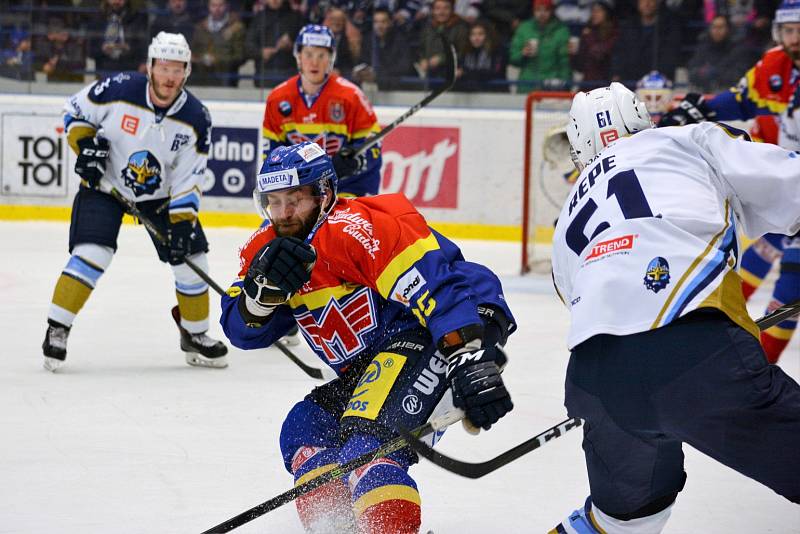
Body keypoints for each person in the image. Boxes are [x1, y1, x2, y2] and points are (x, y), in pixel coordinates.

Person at [220, 141, 516, 533]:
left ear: (324, 194)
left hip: (430, 337)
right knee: (304, 430)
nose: (284, 213)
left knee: (367, 448)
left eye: (295, 199)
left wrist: (469, 357)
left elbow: (438, 288)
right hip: (370, 367)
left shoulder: (355, 230)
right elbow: (242, 333)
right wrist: (259, 299)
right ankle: (338, 528)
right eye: (273, 201)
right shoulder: (264, 249)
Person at [549, 83, 800, 533]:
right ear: (643, 120)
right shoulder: (684, 139)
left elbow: (581, 300)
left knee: (621, 520)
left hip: (596, 381)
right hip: (696, 353)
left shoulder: (566, 213)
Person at [42, 32, 228, 372]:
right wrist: (84, 148)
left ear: (187, 72)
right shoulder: (119, 88)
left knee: (192, 257)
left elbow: (190, 176)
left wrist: (183, 224)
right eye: (164, 67)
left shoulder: (196, 118)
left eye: (178, 69)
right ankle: (57, 328)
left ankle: (195, 333)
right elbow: (73, 112)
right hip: (105, 184)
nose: (170, 77)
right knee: (92, 254)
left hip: (158, 197)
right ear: (151, 66)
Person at [660, 0, 800, 363]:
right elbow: (740, 100)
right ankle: (731, 341)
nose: (795, 38)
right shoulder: (773, 65)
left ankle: (758, 371)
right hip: (787, 178)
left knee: (793, 277)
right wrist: (703, 108)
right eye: (788, 30)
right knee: (766, 246)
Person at [261, 24, 383, 198]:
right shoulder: (278, 98)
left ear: (331, 58)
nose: (314, 62)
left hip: (348, 186)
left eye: (322, 55)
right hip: (300, 190)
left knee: (338, 224)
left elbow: (374, 146)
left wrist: (356, 161)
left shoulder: (351, 96)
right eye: (308, 54)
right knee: (273, 225)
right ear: (298, 56)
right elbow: (271, 156)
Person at [508, 0, 571, 92]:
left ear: (551, 11)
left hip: (551, 87)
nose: (542, 14)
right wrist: (523, 53)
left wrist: (565, 85)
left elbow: (565, 62)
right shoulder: (524, 28)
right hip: (527, 85)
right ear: (533, 11)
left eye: (546, 10)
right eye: (538, 10)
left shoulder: (561, 31)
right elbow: (513, 58)